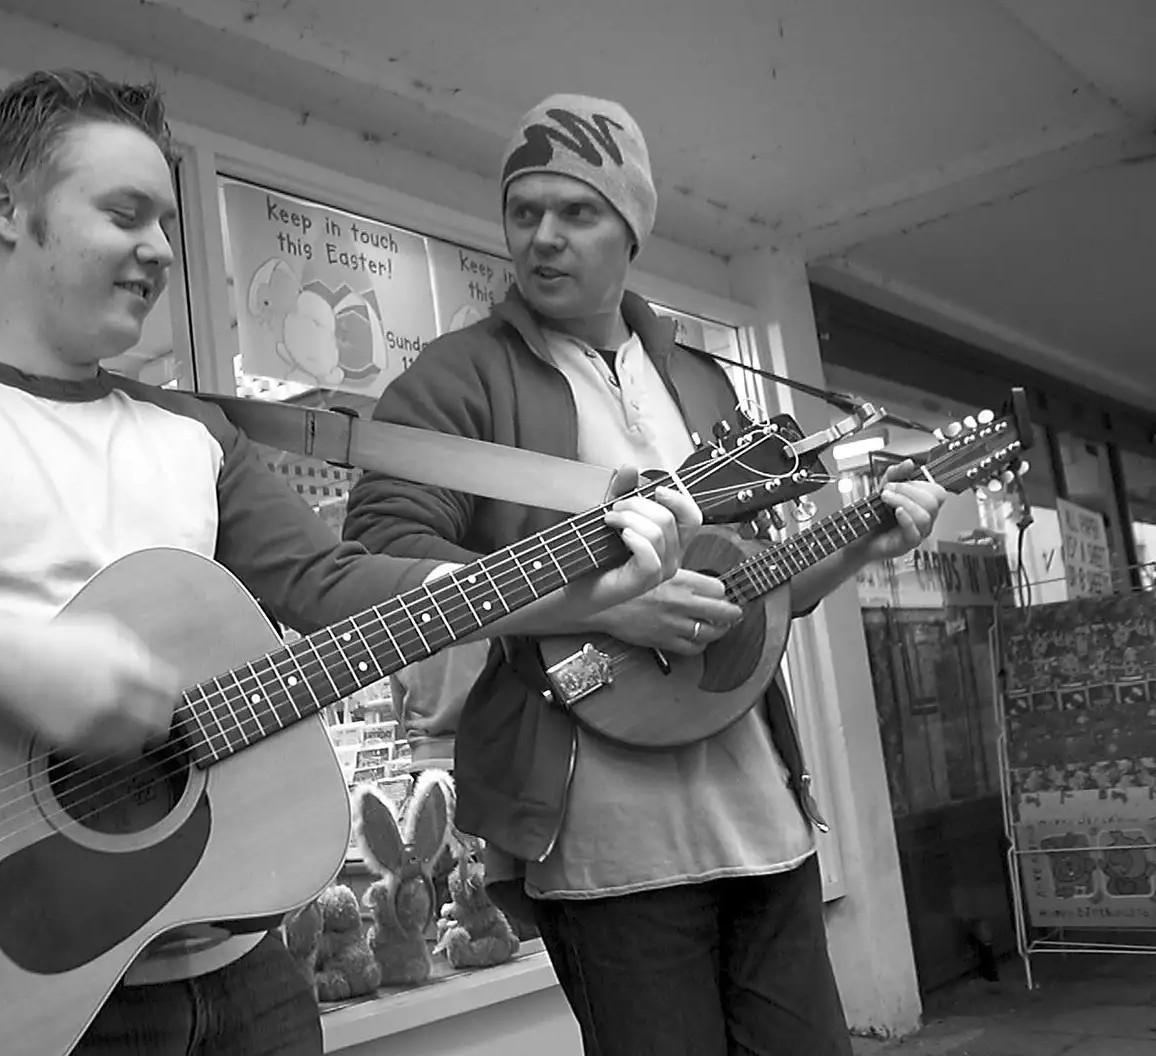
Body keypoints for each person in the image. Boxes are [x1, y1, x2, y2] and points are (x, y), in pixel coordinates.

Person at [0, 72, 700, 1056]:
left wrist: (564, 591)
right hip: (27, 1005)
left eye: (165, 220)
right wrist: (5, 664)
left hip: (245, 971)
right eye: (125, 213)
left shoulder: (194, 434)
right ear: (9, 208)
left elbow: (331, 592)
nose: (160, 248)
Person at [341, 94, 949, 1056]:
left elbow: (750, 591)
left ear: (632, 228)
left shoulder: (703, 382)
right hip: (602, 844)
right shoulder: (453, 379)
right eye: (523, 211)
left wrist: (860, 546)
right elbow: (381, 564)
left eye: (576, 212)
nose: (542, 237)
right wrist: (605, 606)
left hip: (763, 821)